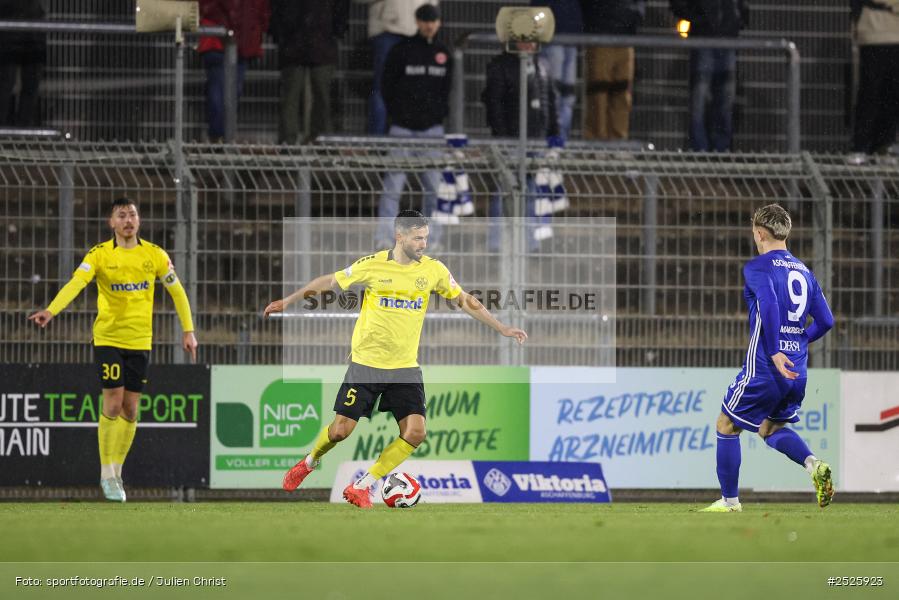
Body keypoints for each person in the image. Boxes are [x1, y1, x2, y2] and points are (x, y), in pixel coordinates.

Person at [264, 210, 527, 509]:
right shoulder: (373, 265)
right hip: (366, 364)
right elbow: (331, 281)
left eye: (426, 238)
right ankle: (309, 462)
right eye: (418, 238)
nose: (424, 244)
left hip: (404, 367)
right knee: (340, 431)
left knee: (416, 433)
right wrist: (289, 301)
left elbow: (466, 300)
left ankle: (363, 485)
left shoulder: (434, 270)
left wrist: (502, 327)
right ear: (399, 237)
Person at [27, 198, 198, 502]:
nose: (129, 220)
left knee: (131, 409)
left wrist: (189, 330)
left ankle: (116, 472)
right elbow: (76, 283)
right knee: (113, 402)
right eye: (122, 215)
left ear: (139, 220)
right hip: (108, 338)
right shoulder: (100, 255)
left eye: (133, 214)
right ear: (112, 223)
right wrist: (51, 310)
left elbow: (178, 291)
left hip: (140, 341)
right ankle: (106, 473)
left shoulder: (155, 255)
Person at [702, 204, 834, 513]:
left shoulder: (758, 267)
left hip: (766, 366)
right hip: (797, 369)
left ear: (759, 233)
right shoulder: (804, 270)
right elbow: (826, 321)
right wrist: (798, 341)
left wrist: (775, 350)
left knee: (726, 424)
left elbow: (770, 303)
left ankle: (730, 502)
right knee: (769, 428)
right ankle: (813, 465)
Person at [375, 4, 452, 248]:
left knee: (434, 188)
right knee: (393, 186)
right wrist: (400, 114)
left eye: (433, 21)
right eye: (425, 20)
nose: (430, 25)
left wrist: (437, 114)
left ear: (439, 22)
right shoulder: (402, 50)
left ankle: (430, 239)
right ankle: (384, 239)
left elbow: (447, 90)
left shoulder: (444, 53)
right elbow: (387, 86)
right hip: (403, 128)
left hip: (432, 131)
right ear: (418, 22)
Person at [670, 0, 748, 152]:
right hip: (705, 37)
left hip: (727, 38)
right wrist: (698, 18)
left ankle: (720, 149)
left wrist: (739, 17)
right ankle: (700, 150)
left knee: (725, 99)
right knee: (700, 98)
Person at [271, 0, 349, 144]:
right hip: (308, 42)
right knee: (299, 95)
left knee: (316, 95)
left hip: (304, 42)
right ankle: (298, 141)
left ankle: (315, 140)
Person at [356, 0, 438, 135]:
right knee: (382, 88)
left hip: (415, 29)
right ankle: (378, 141)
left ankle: (409, 139)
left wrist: (428, 17)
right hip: (387, 30)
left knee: (415, 87)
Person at [197, 0, 271, 142]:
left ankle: (219, 136)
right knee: (228, 92)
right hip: (237, 39)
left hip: (221, 37)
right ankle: (223, 136)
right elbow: (261, 12)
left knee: (220, 91)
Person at [580, 0, 645, 140]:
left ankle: (618, 142)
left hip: (624, 37)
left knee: (622, 93)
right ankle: (596, 143)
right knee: (598, 93)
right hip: (600, 35)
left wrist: (635, 15)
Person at [850, 0, 899, 156]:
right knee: (872, 92)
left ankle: (882, 145)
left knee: (890, 95)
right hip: (874, 31)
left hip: (889, 33)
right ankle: (862, 146)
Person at [533, 0, 583, 141]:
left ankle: (560, 140)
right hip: (553, 36)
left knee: (567, 95)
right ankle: (552, 138)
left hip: (570, 36)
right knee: (553, 94)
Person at [0, 0, 46, 127]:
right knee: (7, 83)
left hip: (26, 22)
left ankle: (22, 131)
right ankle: (19, 131)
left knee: (26, 83)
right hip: (14, 21)